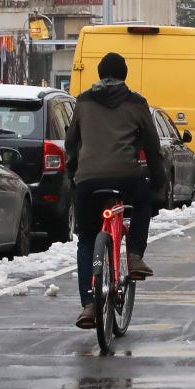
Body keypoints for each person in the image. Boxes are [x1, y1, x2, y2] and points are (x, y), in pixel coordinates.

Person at [65, 51, 164, 330]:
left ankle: (88, 303)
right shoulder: (136, 102)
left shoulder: (83, 102)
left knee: (86, 240)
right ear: (125, 75)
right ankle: (133, 256)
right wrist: (157, 181)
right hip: (126, 177)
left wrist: (74, 173)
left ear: (98, 74)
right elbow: (153, 147)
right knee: (142, 200)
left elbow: (71, 142)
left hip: (87, 180)